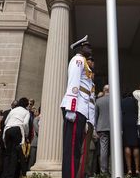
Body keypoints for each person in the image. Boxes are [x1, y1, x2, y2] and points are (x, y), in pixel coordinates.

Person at [61, 35, 93, 178]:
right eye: (87, 46)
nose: (90, 48)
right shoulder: (78, 60)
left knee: (76, 148)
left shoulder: (84, 63)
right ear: (80, 48)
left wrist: (87, 117)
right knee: (72, 148)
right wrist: (72, 108)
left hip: (81, 109)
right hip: (75, 108)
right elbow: (74, 84)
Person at [2, 98, 31, 178]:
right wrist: (26, 134)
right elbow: (25, 123)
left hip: (8, 130)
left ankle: (5, 174)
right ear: (26, 104)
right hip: (17, 130)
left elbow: (5, 121)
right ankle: (11, 175)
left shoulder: (13, 110)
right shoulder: (26, 112)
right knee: (15, 153)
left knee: (8, 153)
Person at [121, 93, 140, 176]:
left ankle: (129, 169)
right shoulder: (135, 101)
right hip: (134, 122)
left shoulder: (121, 102)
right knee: (135, 145)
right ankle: (137, 169)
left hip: (125, 123)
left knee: (127, 146)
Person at [95, 85, 110, 174]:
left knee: (103, 150)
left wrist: (95, 128)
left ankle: (103, 171)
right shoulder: (115, 100)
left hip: (102, 127)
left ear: (104, 91)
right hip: (113, 127)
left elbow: (95, 116)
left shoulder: (98, 101)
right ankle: (113, 169)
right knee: (114, 149)